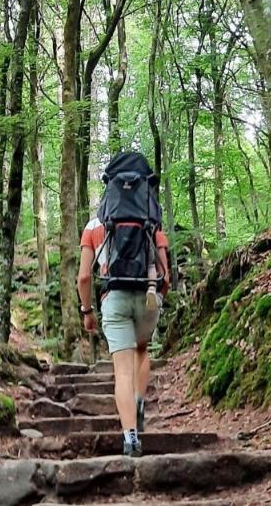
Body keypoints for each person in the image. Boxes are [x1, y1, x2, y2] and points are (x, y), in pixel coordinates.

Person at [76, 152, 170, 457]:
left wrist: (87, 311)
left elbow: (83, 278)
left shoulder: (94, 226)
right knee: (142, 351)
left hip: (113, 299)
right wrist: (158, 298)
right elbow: (165, 274)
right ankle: (140, 400)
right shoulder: (151, 221)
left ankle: (130, 438)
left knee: (122, 372)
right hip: (148, 296)